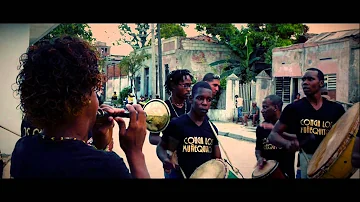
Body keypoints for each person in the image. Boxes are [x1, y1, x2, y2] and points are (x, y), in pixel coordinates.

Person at [10, 35, 150, 178]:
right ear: (82, 98)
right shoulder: (106, 166)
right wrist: (135, 152)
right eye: (94, 91)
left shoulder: (23, 149)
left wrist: (98, 145)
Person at [268, 67, 345, 179]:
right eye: (303, 80)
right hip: (305, 163)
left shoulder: (336, 109)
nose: (305, 83)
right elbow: (273, 135)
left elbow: (345, 135)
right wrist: (286, 144)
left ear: (321, 83)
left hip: (331, 162)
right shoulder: (293, 108)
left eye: (310, 79)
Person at [156, 81, 222, 179]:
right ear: (191, 99)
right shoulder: (178, 125)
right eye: (200, 98)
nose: (205, 103)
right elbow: (161, 148)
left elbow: (217, 160)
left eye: (209, 100)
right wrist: (166, 160)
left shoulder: (212, 129)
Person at [148, 69, 193, 178]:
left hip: (192, 161)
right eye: (185, 86)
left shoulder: (193, 106)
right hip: (173, 162)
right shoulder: (161, 109)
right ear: (173, 86)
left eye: (190, 86)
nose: (189, 90)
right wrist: (170, 144)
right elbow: (153, 138)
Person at [255, 95, 296, 179]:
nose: (262, 111)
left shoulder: (289, 126)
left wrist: (275, 130)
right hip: (267, 173)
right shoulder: (261, 128)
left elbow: (296, 140)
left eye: (265, 107)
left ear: (275, 107)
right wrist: (259, 158)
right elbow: (258, 149)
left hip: (285, 174)